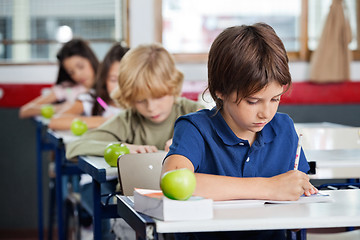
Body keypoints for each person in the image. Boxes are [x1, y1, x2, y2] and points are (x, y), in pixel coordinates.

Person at [161, 23, 318, 240]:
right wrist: (269, 188)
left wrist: (299, 205)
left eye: (275, 99)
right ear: (220, 91)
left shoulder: (284, 129)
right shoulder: (194, 129)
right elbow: (174, 180)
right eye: (253, 101)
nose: (266, 113)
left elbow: (301, 194)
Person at [65, 43, 204, 239]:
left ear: (173, 87)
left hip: (186, 206)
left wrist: (188, 144)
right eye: (141, 100)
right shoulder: (128, 120)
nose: (151, 108)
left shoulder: (194, 114)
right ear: (130, 98)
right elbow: (74, 147)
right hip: (136, 208)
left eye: (159, 97)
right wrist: (122, 148)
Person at [48, 42, 129, 130]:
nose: (120, 87)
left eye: (127, 80)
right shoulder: (92, 99)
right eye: (113, 80)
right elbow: (55, 121)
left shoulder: (141, 105)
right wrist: (103, 121)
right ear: (104, 78)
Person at [19, 38, 99, 119]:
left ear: (91, 60)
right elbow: (25, 111)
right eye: (71, 72)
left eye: (81, 67)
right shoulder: (68, 88)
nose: (78, 75)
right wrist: (60, 108)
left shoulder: (106, 86)